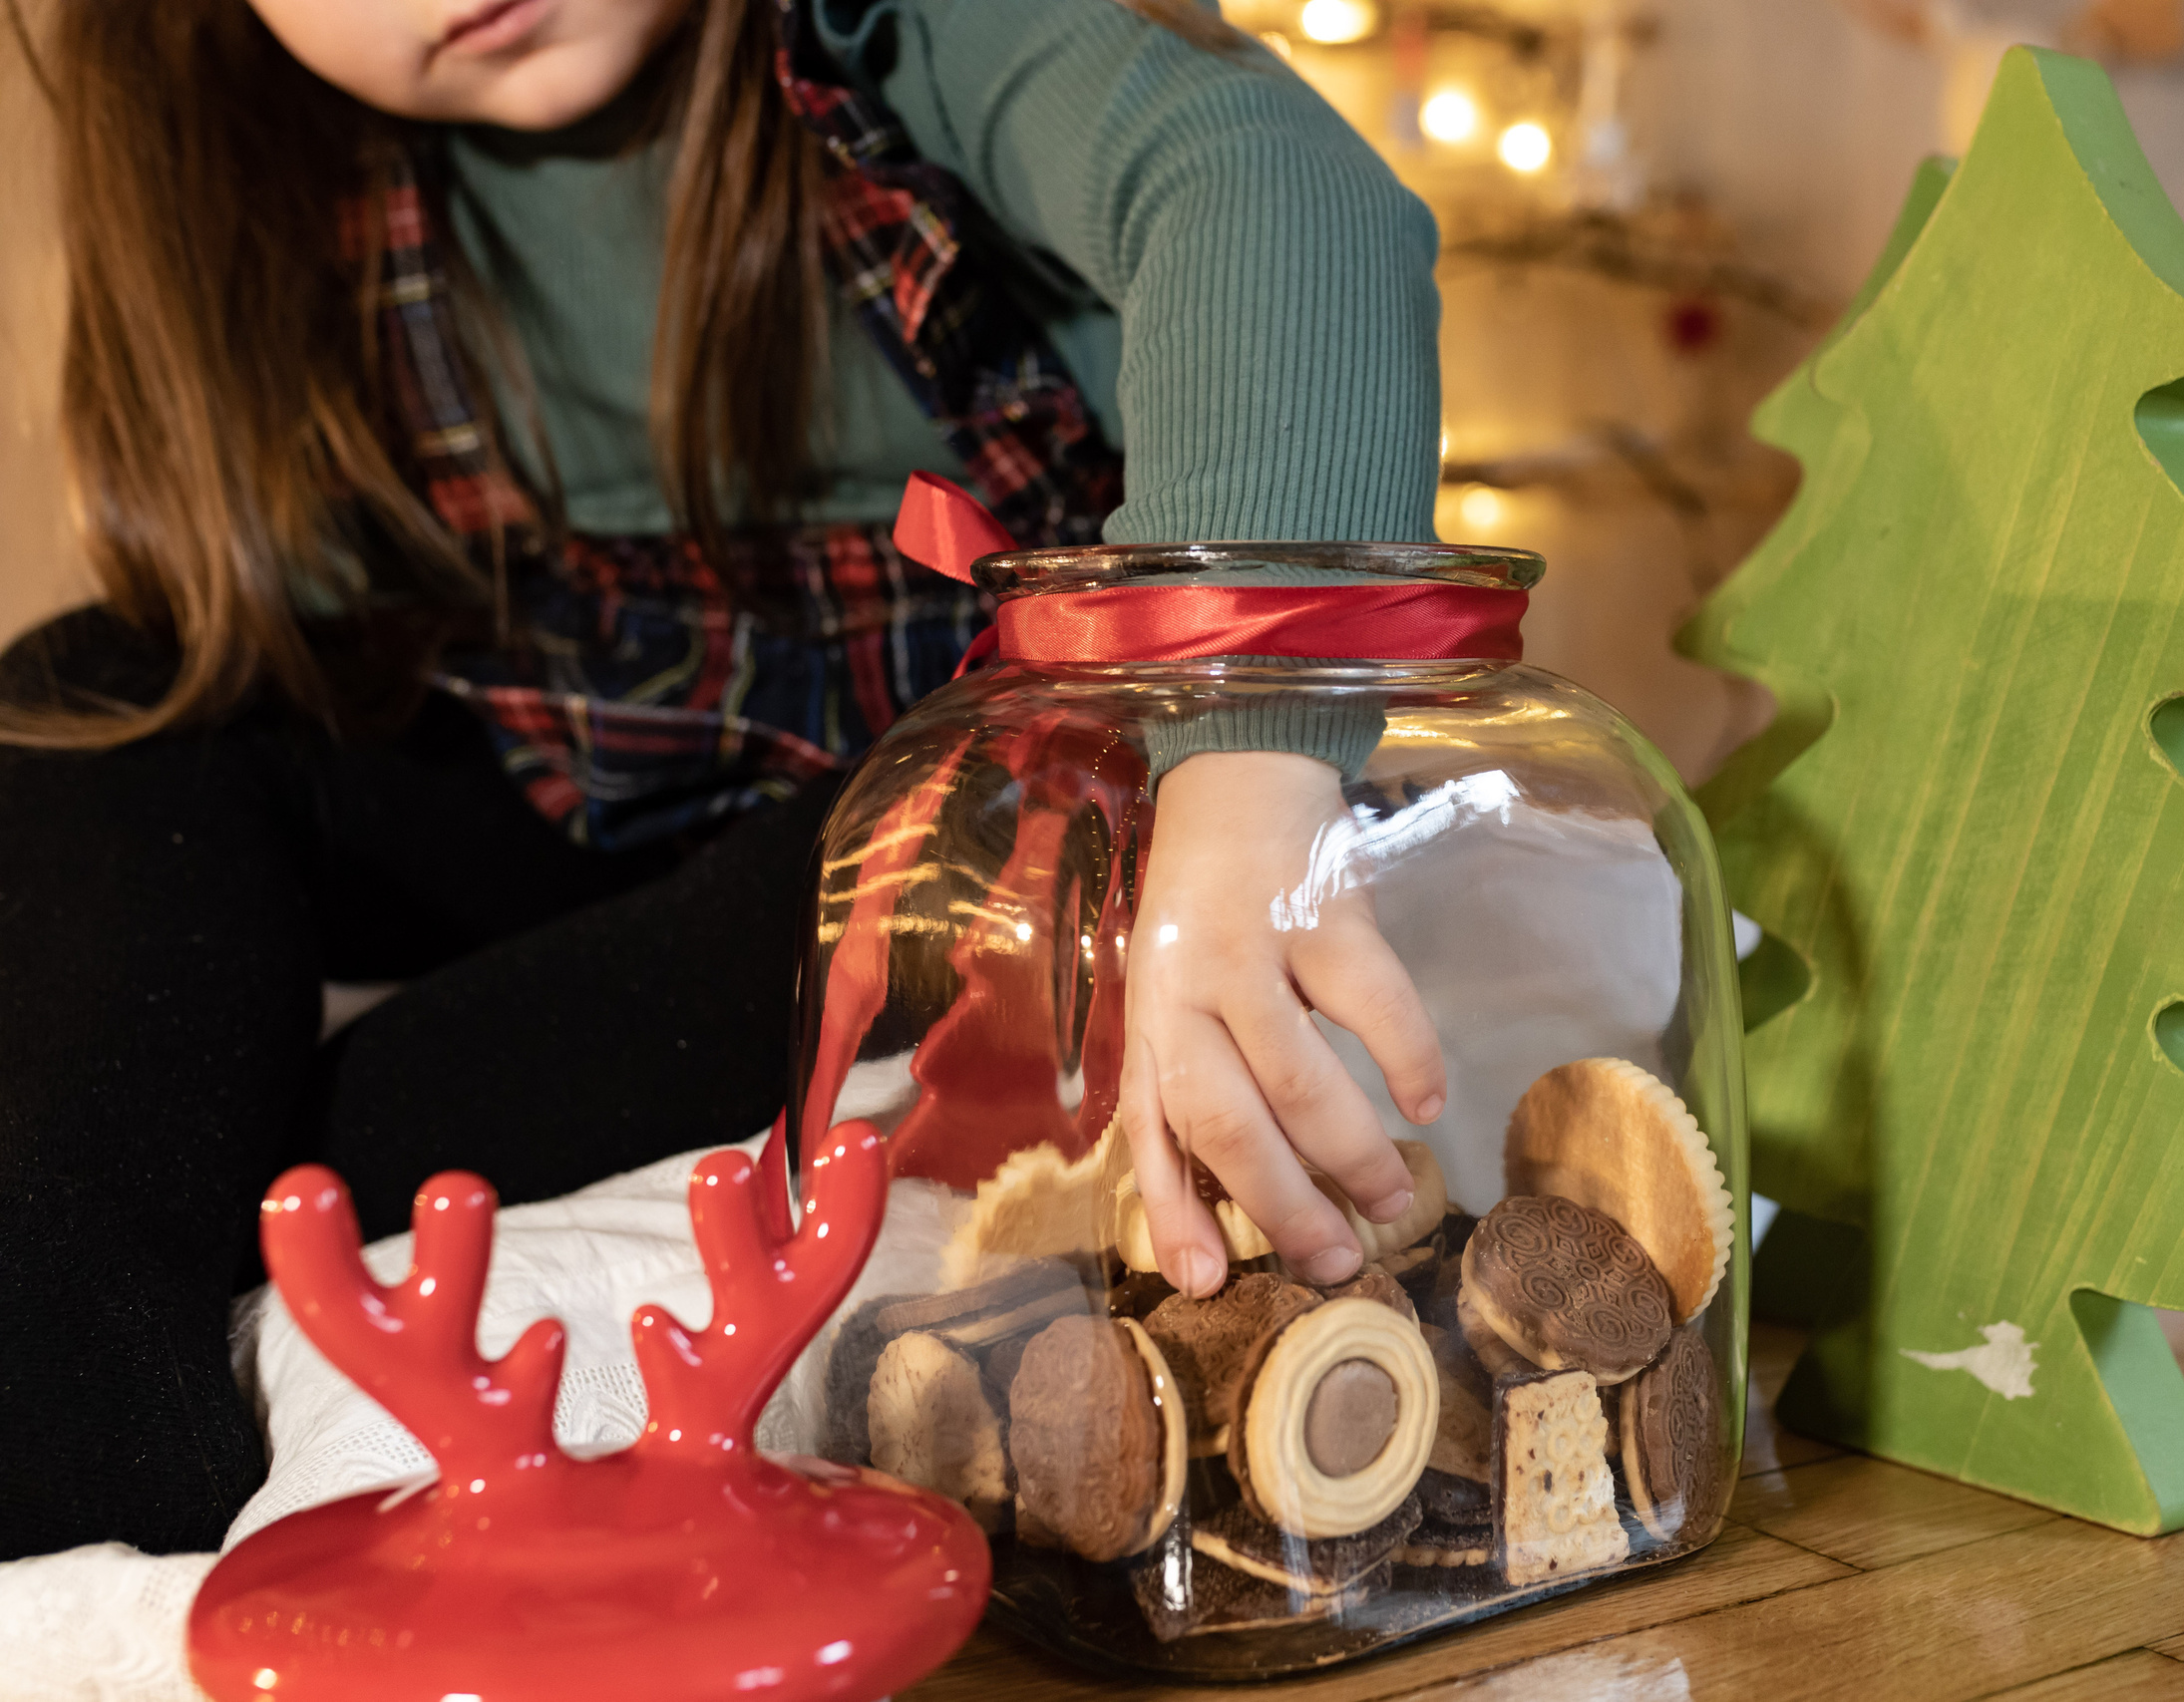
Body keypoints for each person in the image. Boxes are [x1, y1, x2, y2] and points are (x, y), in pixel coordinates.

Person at [0, 0, 1445, 1558]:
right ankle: (71, 1501)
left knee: (872, 894)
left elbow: (1267, 183)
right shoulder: (285, 145)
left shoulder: (884, 29)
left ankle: (138, 1303)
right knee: (86, 704)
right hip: (578, 751)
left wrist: (1243, 764)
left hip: (926, 800)